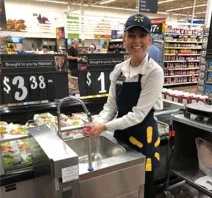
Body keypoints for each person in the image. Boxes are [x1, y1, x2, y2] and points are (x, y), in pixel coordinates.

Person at [84, 13, 164, 198]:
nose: (136, 41)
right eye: (131, 35)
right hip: (121, 136)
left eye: (141, 35)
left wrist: (104, 126)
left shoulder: (154, 72)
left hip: (142, 138)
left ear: (149, 40)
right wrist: (96, 122)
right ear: (124, 39)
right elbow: (110, 106)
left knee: (141, 187)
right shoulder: (119, 69)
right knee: (121, 188)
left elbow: (138, 115)